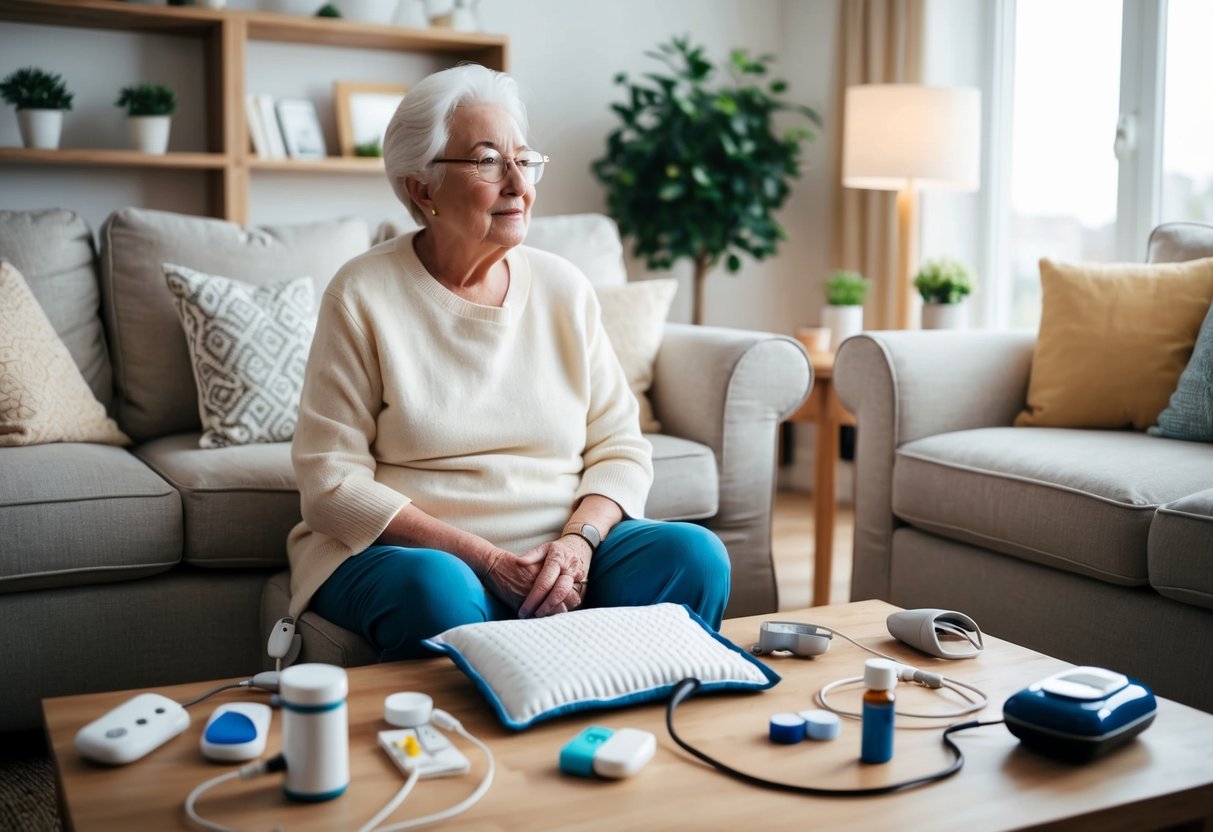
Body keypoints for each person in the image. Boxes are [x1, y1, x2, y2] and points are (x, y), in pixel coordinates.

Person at [286, 64, 730, 661]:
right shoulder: (363, 293)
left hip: (561, 553)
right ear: (422, 189)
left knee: (693, 555)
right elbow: (331, 484)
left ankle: (623, 710)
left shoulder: (564, 288)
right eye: (488, 160)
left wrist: (577, 544)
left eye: (525, 159)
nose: (517, 183)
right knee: (435, 591)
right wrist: (488, 560)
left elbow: (620, 448)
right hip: (428, 560)